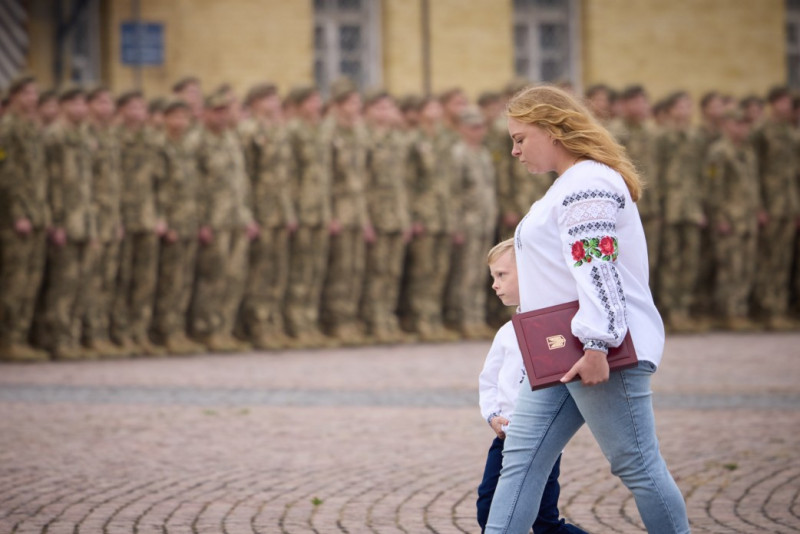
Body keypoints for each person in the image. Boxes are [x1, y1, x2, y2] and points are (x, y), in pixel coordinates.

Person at [485, 85, 690, 533]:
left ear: (553, 130)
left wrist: (598, 342)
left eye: (521, 138)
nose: (514, 150)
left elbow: (597, 264)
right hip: (564, 350)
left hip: (595, 351)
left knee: (636, 464)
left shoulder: (587, 184)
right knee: (521, 459)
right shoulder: (570, 185)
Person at [477, 238, 588, 534]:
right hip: (506, 438)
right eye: (493, 277)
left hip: (540, 440)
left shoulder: (562, 329)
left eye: (502, 275)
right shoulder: (506, 332)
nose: (494, 285)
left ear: (528, 270)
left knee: (544, 524)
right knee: (488, 509)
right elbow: (489, 380)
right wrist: (492, 416)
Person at [40, 87, 96, 360]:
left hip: (84, 219)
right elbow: (46, 181)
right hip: (63, 220)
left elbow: (90, 185)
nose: (80, 107)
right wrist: (53, 220)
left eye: (83, 101)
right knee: (62, 283)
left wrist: (93, 222)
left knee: (80, 282)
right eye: (73, 101)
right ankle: (55, 339)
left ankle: (72, 337)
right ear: (62, 105)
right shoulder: (53, 136)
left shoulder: (84, 136)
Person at [0, 75, 50, 362]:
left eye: (35, 93)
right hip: (15, 217)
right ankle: (8, 339)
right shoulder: (7, 128)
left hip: (37, 213)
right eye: (27, 93)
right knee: (15, 280)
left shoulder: (32, 128)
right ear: (15, 95)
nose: (33, 98)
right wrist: (18, 213)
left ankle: (21, 336)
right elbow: (7, 176)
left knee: (31, 280)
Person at [704, 109, 760, 330]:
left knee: (746, 266)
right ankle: (728, 312)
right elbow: (713, 186)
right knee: (730, 266)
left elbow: (754, 184)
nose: (742, 129)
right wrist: (719, 216)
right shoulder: (718, 152)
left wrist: (759, 209)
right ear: (727, 125)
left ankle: (740, 310)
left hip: (747, 218)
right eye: (737, 124)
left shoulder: (748, 151)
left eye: (745, 124)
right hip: (729, 218)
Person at [444, 106, 497, 339]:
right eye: (474, 127)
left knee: (479, 272)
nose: (479, 131)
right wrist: (455, 224)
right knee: (466, 273)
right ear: (462, 129)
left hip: (485, 219)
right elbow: (452, 192)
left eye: (481, 126)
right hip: (468, 221)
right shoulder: (458, 153)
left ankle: (476, 317)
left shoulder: (483, 153)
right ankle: (463, 318)